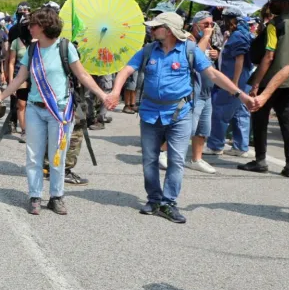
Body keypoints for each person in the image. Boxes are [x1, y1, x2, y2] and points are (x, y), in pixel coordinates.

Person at [107, 12, 255, 223]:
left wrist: (241, 95)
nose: (151, 29)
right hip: (150, 114)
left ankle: (168, 203)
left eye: (156, 26)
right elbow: (126, 71)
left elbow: (213, 75)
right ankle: (154, 199)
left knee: (176, 161)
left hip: (180, 114)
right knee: (149, 160)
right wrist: (115, 91)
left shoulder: (190, 51)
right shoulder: (148, 50)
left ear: (167, 31)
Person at [0, 7, 111, 215]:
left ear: (44, 26)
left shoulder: (65, 48)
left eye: (32, 24)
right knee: (34, 156)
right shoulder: (32, 50)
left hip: (60, 110)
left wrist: (103, 96)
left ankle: (56, 196)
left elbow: (82, 75)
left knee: (58, 156)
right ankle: (35, 195)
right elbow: (20, 78)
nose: (29, 28)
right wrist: (0, 97)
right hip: (35, 109)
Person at [240, 0, 289, 177]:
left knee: (259, 117)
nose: (271, 4)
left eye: (274, 0)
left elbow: (269, 56)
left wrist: (256, 82)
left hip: (271, 77)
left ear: (285, 2)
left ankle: (261, 160)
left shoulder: (275, 24)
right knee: (288, 120)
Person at [206, 11, 254, 159]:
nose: (223, 21)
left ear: (231, 20)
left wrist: (233, 83)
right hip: (242, 80)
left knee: (220, 110)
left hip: (233, 79)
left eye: (225, 19)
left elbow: (239, 59)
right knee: (240, 113)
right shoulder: (241, 34)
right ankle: (240, 146)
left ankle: (215, 145)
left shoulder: (238, 36)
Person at [184, 11, 219, 174]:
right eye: (205, 24)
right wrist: (206, 37)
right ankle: (163, 153)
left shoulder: (207, 41)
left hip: (207, 92)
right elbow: (194, 56)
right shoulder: (187, 39)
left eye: (211, 24)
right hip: (193, 92)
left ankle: (196, 159)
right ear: (195, 24)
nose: (209, 28)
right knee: (187, 128)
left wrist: (215, 54)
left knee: (203, 130)